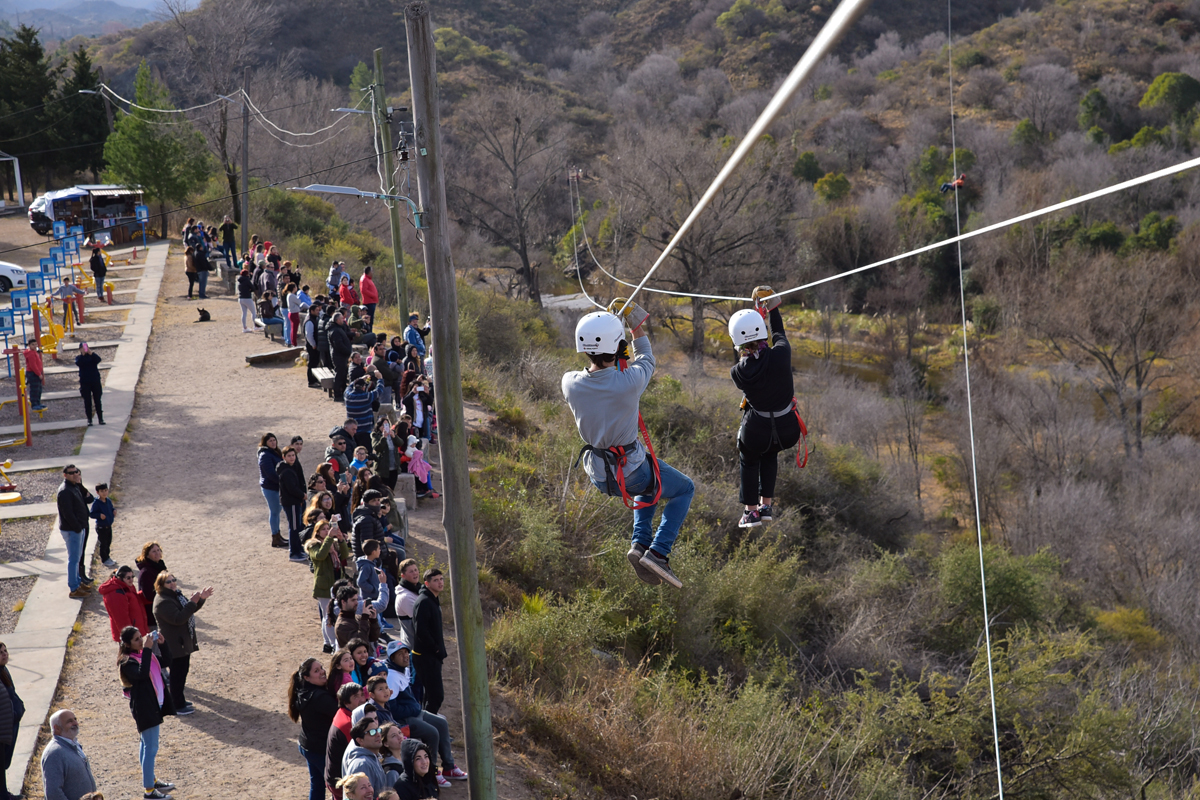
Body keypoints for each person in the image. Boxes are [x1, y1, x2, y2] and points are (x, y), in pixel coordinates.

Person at [561, 304, 694, 589]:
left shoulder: (569, 383)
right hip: (631, 470)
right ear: (618, 348)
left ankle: (639, 544)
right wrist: (635, 324)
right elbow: (646, 357)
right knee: (683, 488)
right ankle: (658, 552)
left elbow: (600, 375)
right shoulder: (629, 381)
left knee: (651, 483)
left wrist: (618, 344)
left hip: (599, 476)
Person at [727, 289, 803, 528]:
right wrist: (772, 307)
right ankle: (766, 505)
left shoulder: (738, 372)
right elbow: (779, 332)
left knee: (749, 456)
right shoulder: (782, 354)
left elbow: (745, 357)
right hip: (788, 430)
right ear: (763, 334)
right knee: (770, 452)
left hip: (758, 430)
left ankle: (751, 512)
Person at [382, 640, 465, 787]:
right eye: (400, 654)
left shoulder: (403, 669)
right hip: (404, 719)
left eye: (406, 652)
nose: (405, 656)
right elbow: (393, 710)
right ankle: (431, 772)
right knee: (432, 732)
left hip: (415, 712)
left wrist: (415, 708)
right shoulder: (392, 677)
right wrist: (414, 709)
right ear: (392, 658)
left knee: (442, 722)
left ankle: (449, 767)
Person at [117, 627, 177, 800]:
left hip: (152, 704)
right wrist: (149, 649)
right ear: (127, 644)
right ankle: (149, 791)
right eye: (136, 639)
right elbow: (142, 674)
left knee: (146, 745)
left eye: (140, 637)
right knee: (151, 748)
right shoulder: (127, 661)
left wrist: (162, 644)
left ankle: (150, 779)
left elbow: (167, 661)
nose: (141, 641)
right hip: (144, 708)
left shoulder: (143, 654)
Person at [152, 572, 214, 716]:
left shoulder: (175, 595)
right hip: (174, 644)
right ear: (161, 585)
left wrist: (200, 600)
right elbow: (179, 618)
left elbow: (188, 611)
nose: (173, 583)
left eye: (174, 580)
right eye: (169, 582)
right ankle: (177, 705)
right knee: (177, 675)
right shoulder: (163, 601)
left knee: (182, 672)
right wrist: (192, 602)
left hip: (180, 642)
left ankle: (179, 700)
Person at [288, 657, 338, 800]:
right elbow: (340, 714)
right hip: (319, 749)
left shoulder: (301, 691)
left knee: (317, 784)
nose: (322, 672)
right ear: (307, 677)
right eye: (316, 671)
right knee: (337, 785)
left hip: (307, 745)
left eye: (321, 668)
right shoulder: (320, 697)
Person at [308, 519, 352, 653]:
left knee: (336, 614)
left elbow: (344, 556)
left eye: (328, 528)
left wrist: (341, 540)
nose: (327, 531)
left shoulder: (332, 543)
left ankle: (331, 642)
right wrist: (328, 538)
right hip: (324, 586)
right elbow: (320, 555)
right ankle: (331, 644)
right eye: (324, 529)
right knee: (328, 616)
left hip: (338, 581)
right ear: (317, 532)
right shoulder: (313, 545)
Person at [410, 569, 447, 714]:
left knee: (430, 696)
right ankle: (430, 729)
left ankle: (430, 727)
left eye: (441, 579)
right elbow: (421, 631)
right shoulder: (424, 602)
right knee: (436, 696)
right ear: (427, 583)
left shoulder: (431, 599)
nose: (440, 582)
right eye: (436, 580)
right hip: (426, 656)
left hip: (431, 656)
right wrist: (436, 648)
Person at [40, 709, 97, 800]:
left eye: (75, 719)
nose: (76, 723)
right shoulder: (54, 753)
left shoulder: (73, 744)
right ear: (57, 728)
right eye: (69, 721)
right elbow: (53, 793)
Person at [57, 464, 95, 599]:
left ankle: (78, 582)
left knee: (77, 558)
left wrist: (80, 483)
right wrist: (78, 527)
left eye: (76, 472)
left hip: (79, 528)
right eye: (71, 473)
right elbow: (68, 513)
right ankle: (74, 588)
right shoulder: (65, 491)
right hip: (72, 530)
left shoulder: (74, 486)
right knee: (73, 559)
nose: (75, 474)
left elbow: (89, 499)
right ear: (65, 475)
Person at [326, 683, 366, 799]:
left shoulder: (344, 713)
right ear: (346, 702)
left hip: (335, 776)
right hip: (340, 782)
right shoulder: (349, 724)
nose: (362, 699)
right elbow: (361, 748)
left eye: (361, 695)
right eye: (356, 697)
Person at [0, 642, 25, 800]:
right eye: (0, 652)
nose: (4, 654)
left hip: (9, 726)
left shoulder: (4, 671)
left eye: (5, 650)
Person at [99, 566, 149, 641]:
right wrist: (130, 638)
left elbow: (134, 600)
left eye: (132, 576)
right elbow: (121, 619)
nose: (131, 580)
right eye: (128, 578)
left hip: (134, 633)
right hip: (129, 637)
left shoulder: (126, 586)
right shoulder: (115, 594)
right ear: (120, 578)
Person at [342, 718, 388, 796]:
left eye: (378, 730)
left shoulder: (373, 758)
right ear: (360, 740)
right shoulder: (362, 764)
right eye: (372, 732)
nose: (378, 734)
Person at [279, 446, 309, 563]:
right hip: (291, 502)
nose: (292, 458)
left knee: (297, 526)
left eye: (293, 455)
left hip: (295, 502)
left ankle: (298, 549)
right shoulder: (286, 471)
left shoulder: (291, 468)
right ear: (284, 457)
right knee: (295, 527)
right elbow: (292, 489)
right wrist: (302, 495)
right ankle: (294, 553)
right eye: (289, 456)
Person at [258, 432, 286, 548]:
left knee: (276, 511)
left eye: (274, 440)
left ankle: (278, 536)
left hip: (275, 487)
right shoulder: (265, 455)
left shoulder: (273, 452)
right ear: (265, 442)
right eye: (270, 441)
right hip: (271, 488)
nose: (273, 442)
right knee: (274, 512)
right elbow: (270, 474)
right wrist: (283, 482)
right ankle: (275, 537)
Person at [136, 541, 166, 629]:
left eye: (158, 550)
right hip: (153, 614)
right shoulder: (146, 572)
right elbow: (149, 595)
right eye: (153, 551)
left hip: (162, 609)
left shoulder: (159, 566)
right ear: (147, 555)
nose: (157, 553)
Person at [392, 559, 421, 646]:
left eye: (415, 570)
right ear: (403, 576)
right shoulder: (405, 597)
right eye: (411, 571)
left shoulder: (418, 589)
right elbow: (422, 620)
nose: (415, 573)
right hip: (414, 645)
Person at [89, 482, 116, 569]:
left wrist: (114, 510)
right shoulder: (96, 503)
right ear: (97, 492)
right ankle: (104, 559)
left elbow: (111, 508)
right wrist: (99, 515)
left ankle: (108, 557)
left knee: (108, 542)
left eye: (105, 490)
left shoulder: (108, 500)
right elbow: (92, 514)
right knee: (103, 543)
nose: (104, 493)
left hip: (108, 526)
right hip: (101, 527)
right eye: (102, 491)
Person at [75, 342, 103, 426]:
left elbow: (98, 360)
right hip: (85, 382)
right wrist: (83, 354)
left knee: (97, 400)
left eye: (86, 347)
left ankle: (100, 419)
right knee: (87, 402)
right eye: (83, 348)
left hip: (95, 381)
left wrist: (91, 353)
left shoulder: (92, 356)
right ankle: (89, 419)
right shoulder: (79, 358)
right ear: (80, 349)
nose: (85, 349)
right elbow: (78, 363)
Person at [329, 313, 354, 402]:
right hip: (339, 356)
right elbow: (338, 345)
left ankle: (343, 392)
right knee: (339, 375)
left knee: (343, 374)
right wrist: (347, 351)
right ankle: (337, 394)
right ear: (337, 320)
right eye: (341, 319)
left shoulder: (338, 328)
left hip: (342, 356)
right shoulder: (335, 331)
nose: (343, 320)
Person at [23, 342, 45, 411]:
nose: (35, 346)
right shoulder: (31, 354)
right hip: (33, 373)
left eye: (36, 344)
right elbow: (33, 366)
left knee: (39, 389)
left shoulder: (34, 352)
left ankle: (38, 403)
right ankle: (34, 404)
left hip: (36, 372)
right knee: (34, 389)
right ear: (29, 345)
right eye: (33, 345)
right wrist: (39, 374)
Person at [237, 268, 257, 333]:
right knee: (253, 312)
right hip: (247, 298)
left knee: (244, 313)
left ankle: (244, 327)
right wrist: (250, 291)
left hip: (240, 298)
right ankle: (255, 326)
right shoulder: (247, 280)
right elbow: (253, 288)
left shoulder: (240, 281)